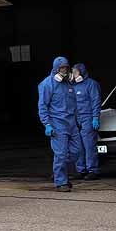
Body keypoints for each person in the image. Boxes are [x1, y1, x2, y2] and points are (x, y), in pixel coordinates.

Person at [37, 56, 78, 192]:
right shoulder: (47, 84)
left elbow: (74, 104)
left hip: (71, 123)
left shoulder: (68, 84)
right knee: (60, 154)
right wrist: (47, 124)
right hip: (57, 124)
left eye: (66, 67)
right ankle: (61, 182)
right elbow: (43, 106)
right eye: (62, 68)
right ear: (56, 69)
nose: (65, 70)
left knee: (77, 151)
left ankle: (62, 174)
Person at [70, 63, 102, 180]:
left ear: (81, 72)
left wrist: (95, 117)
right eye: (72, 72)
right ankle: (80, 169)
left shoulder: (91, 84)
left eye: (75, 72)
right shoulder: (72, 86)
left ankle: (93, 170)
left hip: (88, 117)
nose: (73, 75)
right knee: (78, 146)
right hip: (76, 119)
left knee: (89, 145)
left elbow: (96, 101)